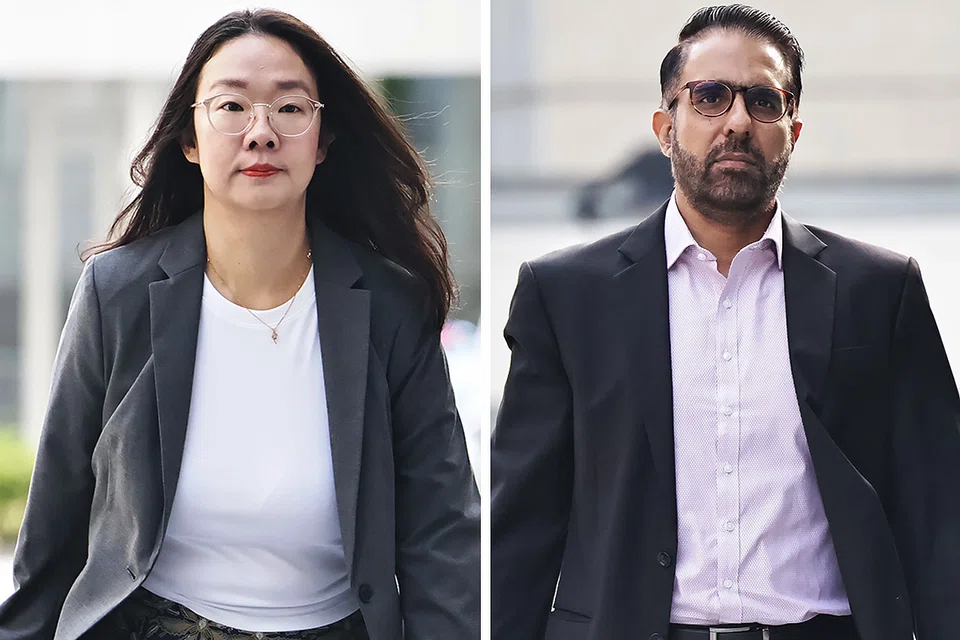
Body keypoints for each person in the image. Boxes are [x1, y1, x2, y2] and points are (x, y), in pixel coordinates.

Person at [0, 9, 479, 640]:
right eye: (230, 107)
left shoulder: (390, 302)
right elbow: (55, 522)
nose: (260, 132)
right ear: (191, 139)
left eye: (289, 108)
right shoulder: (117, 291)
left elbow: (440, 529)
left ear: (323, 137)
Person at [491, 5, 960, 640]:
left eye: (764, 101)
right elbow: (522, 527)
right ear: (666, 125)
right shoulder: (566, 296)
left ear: (792, 130)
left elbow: (939, 520)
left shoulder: (879, 291)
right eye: (710, 96)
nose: (738, 121)